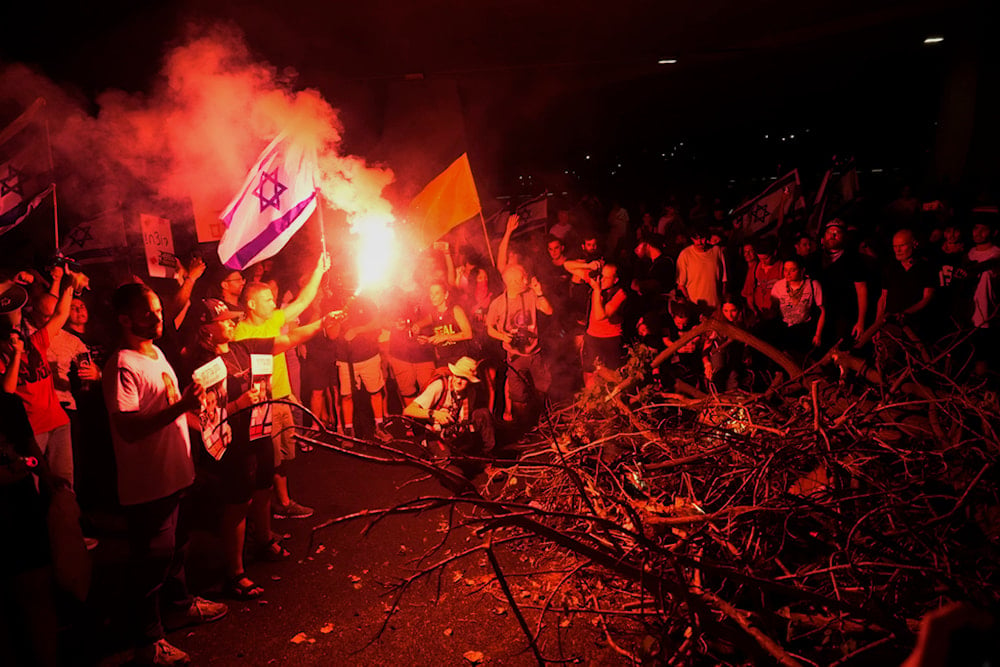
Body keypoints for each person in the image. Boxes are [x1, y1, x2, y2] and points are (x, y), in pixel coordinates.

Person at [103, 283, 227, 666]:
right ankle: (147, 642)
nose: (157, 318)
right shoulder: (123, 364)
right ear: (125, 319)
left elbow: (172, 404)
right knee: (151, 562)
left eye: (158, 311)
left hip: (176, 472)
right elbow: (129, 428)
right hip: (149, 482)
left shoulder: (155, 353)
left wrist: (203, 417)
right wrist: (181, 409)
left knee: (175, 549)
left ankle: (180, 605)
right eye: (147, 314)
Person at [184, 297, 334, 599]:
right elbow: (194, 413)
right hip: (231, 444)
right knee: (238, 503)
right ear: (206, 329)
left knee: (263, 486)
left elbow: (289, 338)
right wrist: (237, 405)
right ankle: (235, 573)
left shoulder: (244, 347)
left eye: (231, 318)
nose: (231, 322)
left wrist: (324, 321)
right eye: (224, 320)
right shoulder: (200, 364)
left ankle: (264, 539)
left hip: (259, 430)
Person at [234, 253, 328, 521]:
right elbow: (291, 340)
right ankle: (266, 513)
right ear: (251, 304)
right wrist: (323, 323)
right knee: (267, 461)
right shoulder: (242, 334)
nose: (273, 302)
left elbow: (301, 302)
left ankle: (283, 502)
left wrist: (318, 270)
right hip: (263, 404)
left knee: (284, 455)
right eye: (266, 300)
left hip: (283, 397)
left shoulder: (272, 319)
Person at [486, 264, 553, 421]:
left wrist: (539, 293)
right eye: (523, 277)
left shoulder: (531, 295)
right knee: (517, 395)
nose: (527, 279)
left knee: (543, 387)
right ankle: (522, 424)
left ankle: (544, 418)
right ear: (514, 282)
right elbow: (490, 328)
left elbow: (549, 311)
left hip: (535, 353)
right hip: (514, 356)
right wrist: (503, 337)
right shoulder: (498, 303)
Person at [403, 356, 495, 460]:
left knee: (483, 413)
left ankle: (489, 458)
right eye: (457, 376)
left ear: (470, 381)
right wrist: (434, 414)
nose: (459, 381)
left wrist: (463, 430)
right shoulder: (440, 385)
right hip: (435, 433)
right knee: (452, 469)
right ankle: (431, 449)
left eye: (464, 378)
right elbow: (408, 410)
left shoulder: (470, 392)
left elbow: (464, 419)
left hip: (453, 432)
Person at [582, 263, 627, 387]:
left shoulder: (620, 294)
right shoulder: (598, 284)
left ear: (615, 280)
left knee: (612, 376)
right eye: (602, 276)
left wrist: (596, 291)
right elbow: (568, 266)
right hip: (592, 337)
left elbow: (600, 315)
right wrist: (589, 265)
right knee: (589, 373)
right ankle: (590, 402)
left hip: (610, 340)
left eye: (607, 278)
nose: (602, 280)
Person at [770, 257, 825, 357]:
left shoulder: (813, 285)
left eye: (793, 270)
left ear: (802, 270)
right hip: (785, 329)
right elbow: (773, 310)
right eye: (785, 270)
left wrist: (818, 334)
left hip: (805, 330)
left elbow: (822, 311)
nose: (788, 273)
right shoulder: (779, 286)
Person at [415, 282, 473, 369]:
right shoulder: (434, 314)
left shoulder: (455, 310)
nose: (433, 296)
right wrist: (427, 340)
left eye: (437, 293)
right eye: (431, 293)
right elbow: (423, 323)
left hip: (460, 360)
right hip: (443, 361)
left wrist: (444, 337)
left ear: (446, 295)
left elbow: (468, 334)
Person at [676, 226, 727, 312]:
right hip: (695, 307)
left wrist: (722, 301)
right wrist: (689, 302)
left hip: (715, 306)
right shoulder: (685, 254)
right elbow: (681, 285)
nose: (699, 242)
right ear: (692, 239)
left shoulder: (716, 251)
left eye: (702, 238)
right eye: (696, 239)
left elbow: (724, 280)